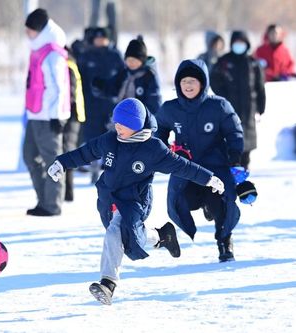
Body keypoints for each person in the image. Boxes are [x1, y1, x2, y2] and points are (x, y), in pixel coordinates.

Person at [47, 98, 225, 305]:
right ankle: (161, 236)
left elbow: (182, 166)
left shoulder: (153, 149)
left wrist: (208, 178)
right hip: (108, 197)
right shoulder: (110, 140)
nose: (117, 127)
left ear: (137, 125)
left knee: (115, 232)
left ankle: (108, 284)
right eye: (116, 123)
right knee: (127, 238)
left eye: (123, 125)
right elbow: (85, 153)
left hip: (134, 200)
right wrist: (61, 163)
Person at [155, 59, 252, 263]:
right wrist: (161, 152)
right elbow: (159, 130)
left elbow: (234, 133)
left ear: (203, 83)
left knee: (222, 204)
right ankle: (197, 216)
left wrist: (235, 160)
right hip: (186, 169)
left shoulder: (218, 106)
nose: (188, 85)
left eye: (193, 81)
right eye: (184, 82)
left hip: (216, 168)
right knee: (180, 200)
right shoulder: (170, 109)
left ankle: (224, 242)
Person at [23, 8, 70, 216]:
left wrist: (56, 116)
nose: (28, 34)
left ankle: (52, 204)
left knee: (53, 160)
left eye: (30, 30)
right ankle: (44, 199)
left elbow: (59, 88)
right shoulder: (38, 51)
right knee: (30, 156)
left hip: (49, 117)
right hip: (35, 114)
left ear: (40, 31)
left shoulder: (53, 54)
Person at [211, 30, 266, 169]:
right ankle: (232, 169)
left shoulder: (253, 63)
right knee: (230, 139)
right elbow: (214, 80)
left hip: (249, 109)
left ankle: (245, 169)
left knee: (247, 142)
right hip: (229, 109)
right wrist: (223, 98)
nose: (239, 46)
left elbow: (260, 86)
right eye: (236, 43)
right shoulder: (224, 62)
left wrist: (261, 107)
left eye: (242, 43)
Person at [77, 27, 124, 183]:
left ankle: (111, 170)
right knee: (93, 138)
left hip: (111, 104)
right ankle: (94, 170)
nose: (100, 41)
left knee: (111, 139)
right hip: (91, 105)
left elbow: (122, 78)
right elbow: (79, 80)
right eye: (97, 38)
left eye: (103, 38)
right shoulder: (86, 56)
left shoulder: (115, 56)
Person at [92, 36, 161, 114]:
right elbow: (113, 87)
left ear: (142, 60)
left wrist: (139, 115)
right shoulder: (125, 74)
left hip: (141, 120)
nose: (131, 63)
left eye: (134, 60)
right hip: (123, 117)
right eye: (128, 60)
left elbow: (154, 104)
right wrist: (100, 85)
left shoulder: (149, 77)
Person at [63, 46, 86, 202]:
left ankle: (68, 193)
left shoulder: (67, 66)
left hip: (71, 116)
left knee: (67, 151)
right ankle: (67, 193)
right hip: (75, 115)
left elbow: (70, 93)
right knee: (67, 151)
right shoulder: (71, 63)